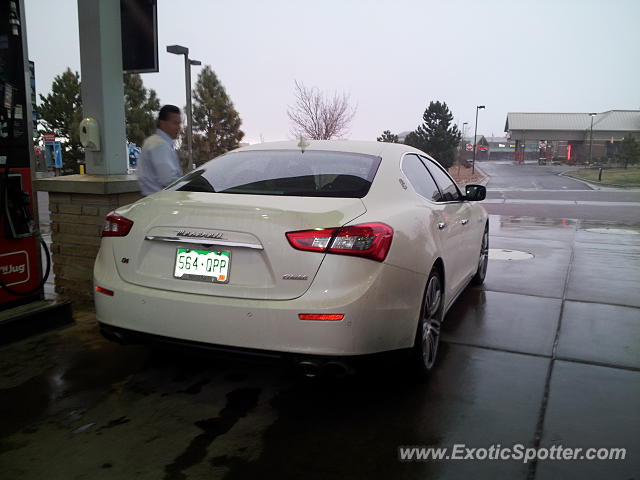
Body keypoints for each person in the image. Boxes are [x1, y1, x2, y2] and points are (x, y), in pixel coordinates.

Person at [137, 105, 183, 195]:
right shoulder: (159, 145)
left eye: (179, 123)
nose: (179, 127)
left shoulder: (153, 142)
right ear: (162, 123)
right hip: (162, 202)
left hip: (154, 200)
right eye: (175, 123)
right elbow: (169, 180)